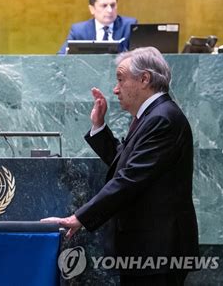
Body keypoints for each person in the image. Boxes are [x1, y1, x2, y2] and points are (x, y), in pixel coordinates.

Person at [42, 47, 199, 285]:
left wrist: (80, 217)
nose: (116, 89)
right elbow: (127, 162)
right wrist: (99, 127)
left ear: (145, 79)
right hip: (148, 249)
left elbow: (129, 179)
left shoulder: (162, 119)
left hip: (158, 251)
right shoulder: (152, 116)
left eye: (120, 79)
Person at [57, 0, 137, 54]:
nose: (109, 10)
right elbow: (61, 57)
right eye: (104, 6)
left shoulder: (129, 26)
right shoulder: (79, 31)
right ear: (92, 9)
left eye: (113, 5)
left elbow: (140, 59)